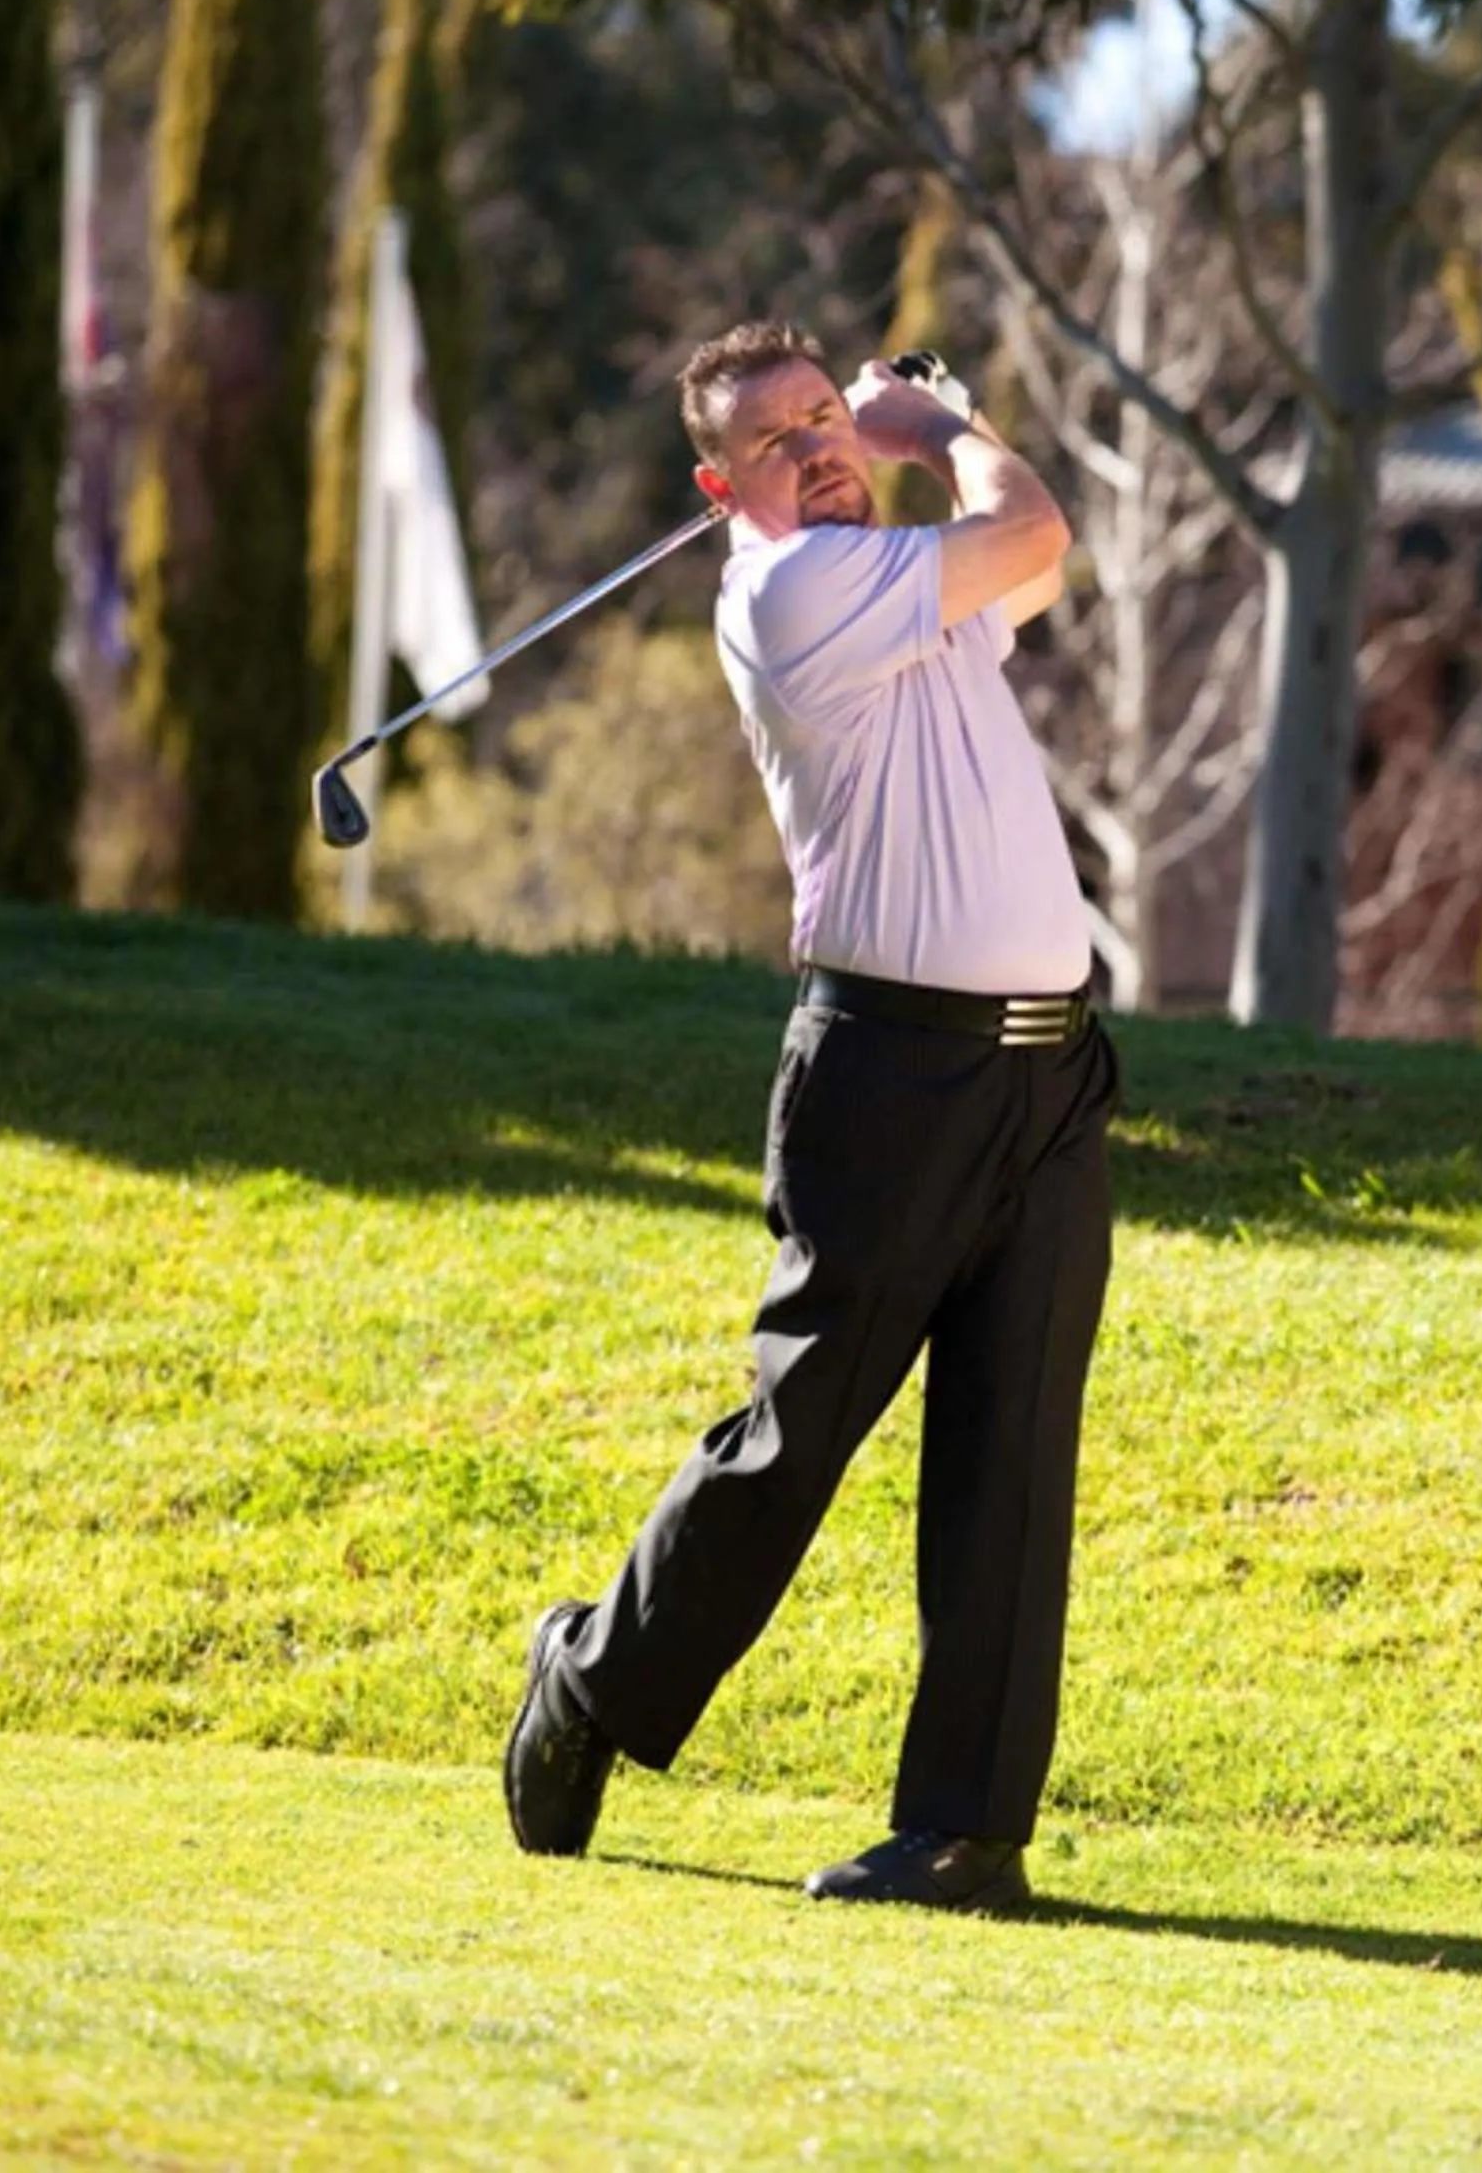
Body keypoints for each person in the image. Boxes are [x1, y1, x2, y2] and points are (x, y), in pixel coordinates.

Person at [500, 319, 1115, 1914]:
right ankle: (590, 1677)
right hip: (891, 1078)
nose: (821, 447)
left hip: (1049, 1076)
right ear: (723, 489)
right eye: (778, 439)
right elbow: (1034, 526)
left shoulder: (902, 578)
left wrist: (919, 444)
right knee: (797, 1438)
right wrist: (939, 422)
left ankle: (964, 1830)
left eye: (828, 415)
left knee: (1014, 1456)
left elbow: (1033, 563)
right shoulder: (788, 591)